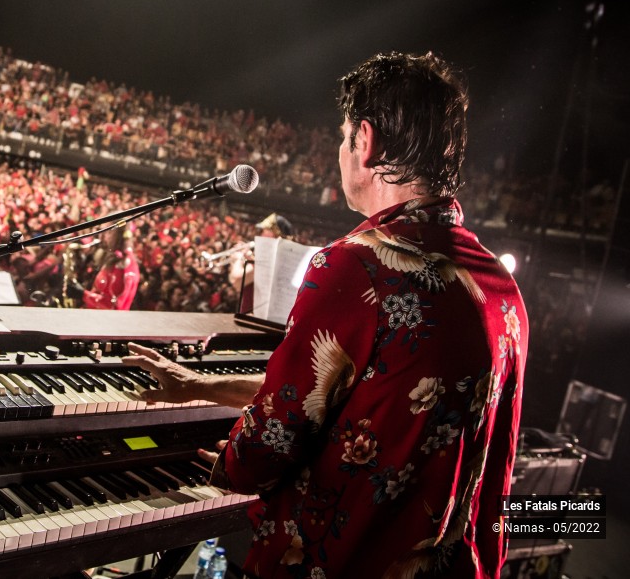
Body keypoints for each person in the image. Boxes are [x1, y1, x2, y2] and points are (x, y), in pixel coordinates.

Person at [124, 52, 526, 578]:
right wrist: (198, 384)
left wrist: (225, 462)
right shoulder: (500, 289)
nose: (341, 151)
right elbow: (363, 400)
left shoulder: (358, 266)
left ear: (367, 140)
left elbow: (266, 448)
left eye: (343, 138)